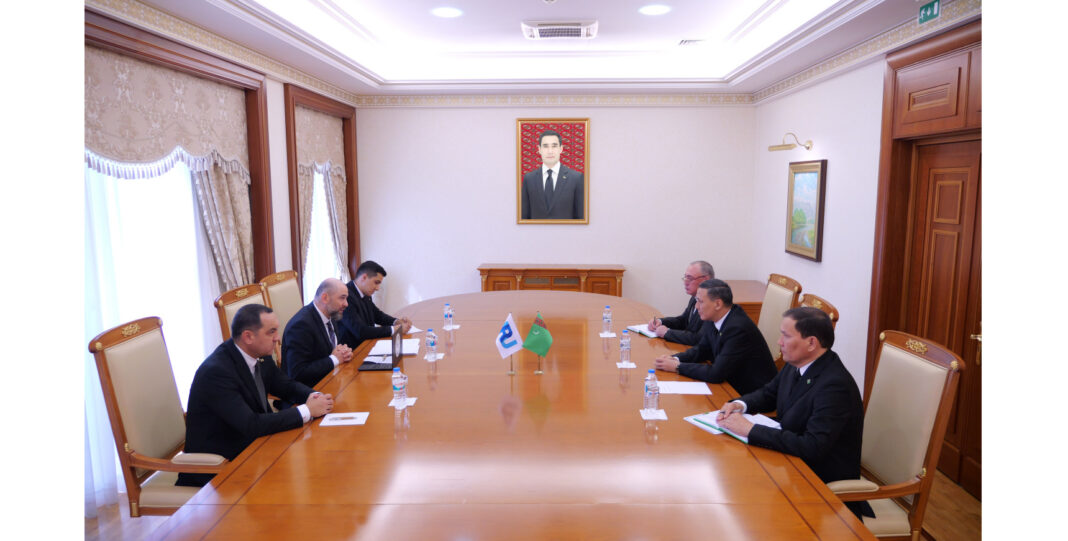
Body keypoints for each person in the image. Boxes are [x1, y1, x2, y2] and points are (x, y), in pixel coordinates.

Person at [715, 307, 873, 519]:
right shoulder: (798, 363)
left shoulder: (834, 386)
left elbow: (812, 446)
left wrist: (751, 429)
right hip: (789, 466)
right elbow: (769, 393)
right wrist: (740, 405)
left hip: (821, 486)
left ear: (811, 343)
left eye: (786, 336)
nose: (779, 342)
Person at [178, 304, 333, 487]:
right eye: (271, 332)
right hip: (219, 469)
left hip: (256, 448)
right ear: (248, 337)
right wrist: (307, 410)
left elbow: (286, 386)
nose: (277, 338)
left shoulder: (259, 354)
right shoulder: (217, 372)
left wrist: (315, 396)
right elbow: (251, 425)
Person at [653, 279, 776, 395]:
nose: (696, 306)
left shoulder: (738, 329)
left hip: (751, 393)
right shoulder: (715, 317)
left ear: (718, 304)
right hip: (729, 382)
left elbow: (716, 373)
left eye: (700, 301)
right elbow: (702, 350)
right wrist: (675, 358)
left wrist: (677, 367)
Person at [282, 278, 354, 387]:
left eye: (346, 298)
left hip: (332, 379)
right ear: (325, 298)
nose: (346, 304)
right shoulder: (301, 325)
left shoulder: (331, 314)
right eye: (342, 298)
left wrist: (343, 353)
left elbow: (329, 352)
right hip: (310, 390)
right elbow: (297, 373)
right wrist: (335, 359)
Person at [337, 260, 412, 350]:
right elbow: (361, 331)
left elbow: (377, 315)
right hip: (353, 351)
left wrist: (396, 321)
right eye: (376, 282)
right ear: (364, 277)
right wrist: (394, 329)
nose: (378, 288)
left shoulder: (365, 293)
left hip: (367, 345)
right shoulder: (346, 296)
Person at [521, 129, 585, 220]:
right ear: (539, 149)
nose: (550, 151)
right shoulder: (529, 179)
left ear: (561, 149)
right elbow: (524, 217)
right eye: (545, 146)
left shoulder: (576, 178)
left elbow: (580, 218)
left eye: (554, 146)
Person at [647, 260, 715, 345]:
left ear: (705, 280)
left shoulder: (712, 303)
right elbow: (683, 321)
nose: (685, 282)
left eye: (690, 278)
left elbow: (699, 339)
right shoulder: (695, 297)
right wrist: (660, 322)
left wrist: (667, 333)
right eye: (685, 278)